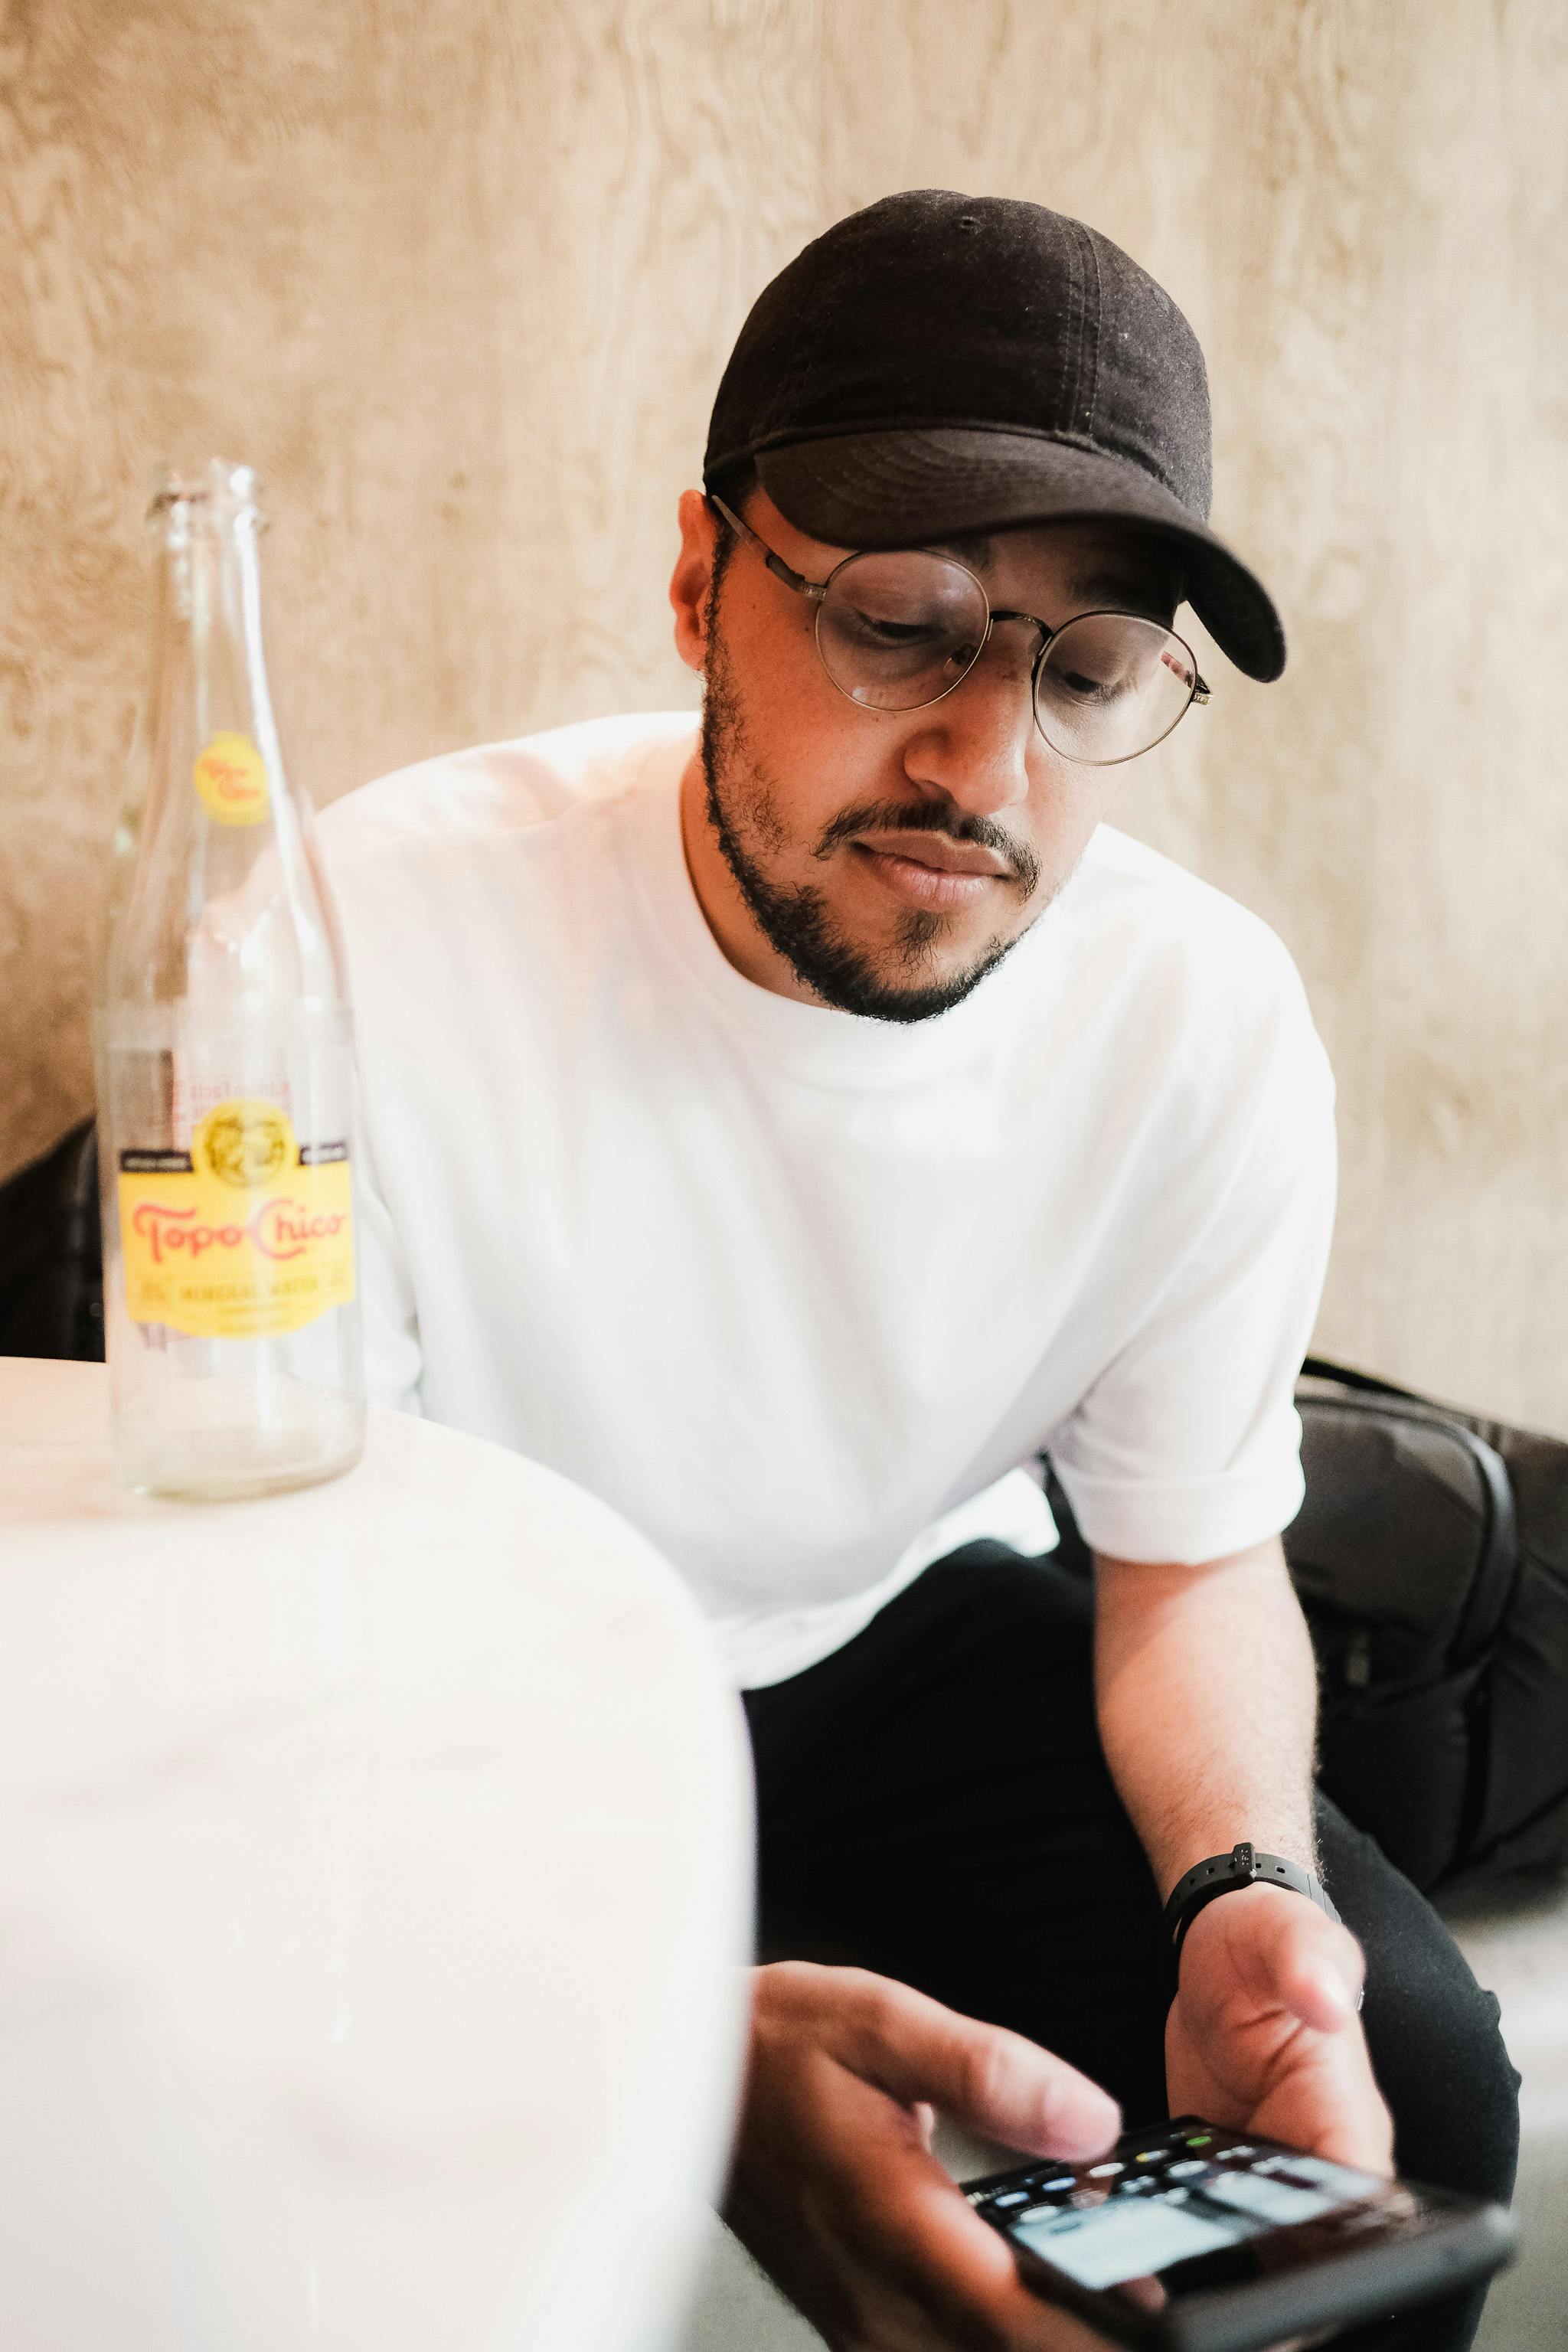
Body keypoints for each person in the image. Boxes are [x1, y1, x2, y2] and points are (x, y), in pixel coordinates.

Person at [318, 191, 1518, 2350]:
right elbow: (309, 1662)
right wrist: (667, 2029)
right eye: (902, 622)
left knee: (1406, 2090)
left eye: (1084, 668)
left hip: (908, 1639)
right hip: (488, 1711)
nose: (987, 764)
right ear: (703, 580)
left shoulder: (1202, 1026)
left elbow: (1186, 1559)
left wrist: (1248, 1892)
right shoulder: (365, 946)